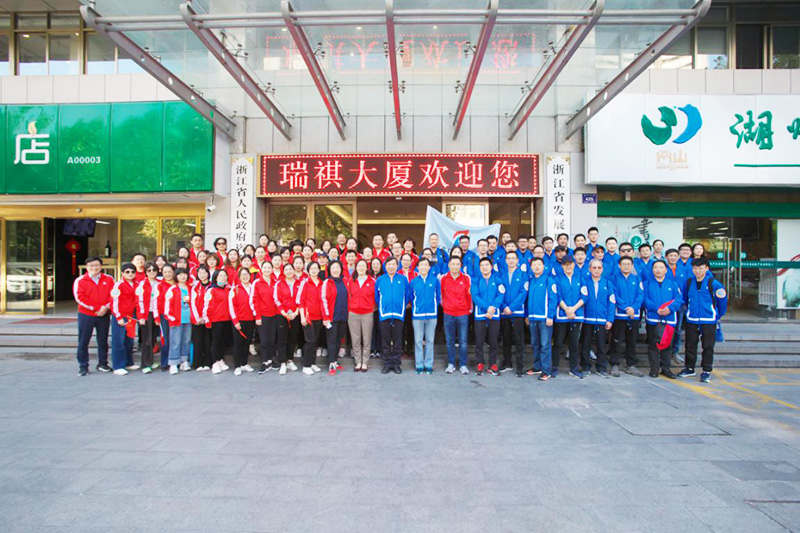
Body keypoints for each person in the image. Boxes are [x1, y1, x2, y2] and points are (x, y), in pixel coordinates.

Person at [678, 257, 728, 383]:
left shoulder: (714, 284)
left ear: (706, 268)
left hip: (709, 320)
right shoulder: (688, 283)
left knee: (708, 346)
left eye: (700, 268)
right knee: (690, 345)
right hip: (692, 319)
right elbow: (685, 299)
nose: (697, 271)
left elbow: (722, 302)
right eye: (695, 268)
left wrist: (717, 315)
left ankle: (706, 370)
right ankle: (689, 368)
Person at [73, 257, 114, 376]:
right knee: (83, 341)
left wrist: (105, 307)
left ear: (101, 267)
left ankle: (102, 363)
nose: (94, 268)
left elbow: (113, 295)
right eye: (91, 265)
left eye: (97, 265)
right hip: (86, 315)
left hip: (104, 314)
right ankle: (83, 366)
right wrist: (97, 308)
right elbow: (80, 298)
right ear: (87, 267)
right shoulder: (80, 280)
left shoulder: (109, 279)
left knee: (103, 340)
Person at [644, 260, 682, 379]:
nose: (658, 270)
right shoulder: (647, 284)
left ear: (666, 270)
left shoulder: (673, 284)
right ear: (652, 270)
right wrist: (656, 309)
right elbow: (644, 299)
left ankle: (666, 368)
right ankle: (654, 369)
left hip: (669, 319)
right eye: (656, 267)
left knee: (667, 345)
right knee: (653, 345)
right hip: (653, 319)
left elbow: (679, 299)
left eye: (661, 267)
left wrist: (670, 309)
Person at [608, 256, 645, 378]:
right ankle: (614, 364)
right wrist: (625, 308)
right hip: (620, 315)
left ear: (632, 266)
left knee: (632, 341)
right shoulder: (614, 278)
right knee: (616, 340)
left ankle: (631, 365)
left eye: (629, 264)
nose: (626, 266)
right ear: (619, 265)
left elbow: (640, 295)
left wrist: (634, 308)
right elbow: (614, 294)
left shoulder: (637, 278)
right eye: (623, 264)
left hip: (634, 315)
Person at [374, 257, 410, 374]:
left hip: (399, 314)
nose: (391, 267)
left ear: (397, 266)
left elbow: (407, 295)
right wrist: (383, 307)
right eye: (389, 264)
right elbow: (377, 297)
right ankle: (387, 364)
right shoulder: (380, 279)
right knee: (385, 341)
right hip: (385, 314)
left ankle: (396, 364)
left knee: (397, 341)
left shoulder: (403, 279)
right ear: (385, 266)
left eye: (393, 264)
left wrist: (401, 307)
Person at [580, 259, 615, 377]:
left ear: (602, 269)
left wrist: (610, 319)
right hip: (587, 319)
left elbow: (611, 302)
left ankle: (601, 368)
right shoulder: (585, 282)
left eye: (599, 268)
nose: (596, 270)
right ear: (589, 269)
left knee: (601, 345)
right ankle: (585, 367)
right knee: (585, 344)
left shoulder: (607, 283)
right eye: (594, 268)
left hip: (601, 319)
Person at [553, 257, 586, 379]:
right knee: (558, 343)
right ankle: (554, 367)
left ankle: (574, 368)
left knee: (574, 344)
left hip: (576, 315)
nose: (568, 266)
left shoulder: (580, 278)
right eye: (565, 264)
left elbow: (584, 296)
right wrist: (567, 309)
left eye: (570, 264)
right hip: (562, 316)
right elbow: (558, 296)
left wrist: (573, 309)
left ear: (574, 265)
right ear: (562, 266)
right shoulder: (557, 279)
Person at [471, 257, 502, 376]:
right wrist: (486, 308)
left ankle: (492, 364)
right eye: (482, 265)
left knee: (493, 341)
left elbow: (500, 294)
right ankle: (480, 363)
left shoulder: (497, 280)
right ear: (479, 268)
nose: (484, 267)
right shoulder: (476, 280)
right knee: (479, 341)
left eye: (487, 265)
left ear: (491, 266)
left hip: (494, 314)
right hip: (480, 314)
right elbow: (475, 295)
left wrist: (493, 307)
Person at [440, 255, 471, 374]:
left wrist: (468, 308)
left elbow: (469, 295)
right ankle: (451, 363)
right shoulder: (444, 278)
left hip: (463, 313)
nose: (455, 266)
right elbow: (441, 295)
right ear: (449, 265)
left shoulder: (466, 278)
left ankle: (463, 364)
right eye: (453, 264)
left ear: (461, 265)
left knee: (463, 341)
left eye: (458, 264)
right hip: (448, 313)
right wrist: (446, 306)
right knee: (450, 341)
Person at [526, 257, 556, 381]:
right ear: (531, 267)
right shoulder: (531, 280)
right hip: (533, 318)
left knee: (545, 345)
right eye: (534, 265)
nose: (537, 267)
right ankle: (537, 366)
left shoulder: (549, 280)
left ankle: (546, 370)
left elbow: (553, 299)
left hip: (544, 319)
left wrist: (550, 316)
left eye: (539, 264)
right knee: (535, 344)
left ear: (543, 266)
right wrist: (528, 315)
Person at [499, 251, 528, 377]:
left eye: (513, 258)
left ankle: (520, 366)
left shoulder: (523, 275)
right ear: (506, 261)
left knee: (519, 340)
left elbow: (523, 293)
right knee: (506, 339)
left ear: (517, 260)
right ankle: (507, 363)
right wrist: (504, 307)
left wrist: (511, 307)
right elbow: (499, 292)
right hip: (504, 312)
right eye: (509, 258)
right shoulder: (501, 275)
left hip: (518, 312)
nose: (511, 260)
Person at [409, 258, 440, 375]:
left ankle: (428, 364)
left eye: (426, 265)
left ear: (429, 267)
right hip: (417, 315)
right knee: (418, 341)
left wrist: (432, 307)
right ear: (418, 267)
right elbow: (411, 297)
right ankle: (419, 365)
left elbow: (438, 297)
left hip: (432, 315)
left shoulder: (435, 280)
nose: (423, 267)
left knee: (430, 340)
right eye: (421, 265)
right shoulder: (413, 282)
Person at [321, 261, 349, 376]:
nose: (335, 270)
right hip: (331, 317)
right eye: (333, 268)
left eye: (337, 267)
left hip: (343, 316)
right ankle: (331, 363)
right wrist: (326, 317)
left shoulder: (345, 281)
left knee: (339, 339)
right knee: (331, 340)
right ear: (329, 270)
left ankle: (335, 361)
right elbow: (323, 300)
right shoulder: (327, 282)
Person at [110, 262, 138, 375]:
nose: (130, 274)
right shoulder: (118, 285)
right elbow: (114, 302)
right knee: (118, 341)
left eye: (132, 272)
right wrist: (118, 317)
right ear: (122, 273)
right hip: (121, 316)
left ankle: (128, 363)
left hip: (131, 316)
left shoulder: (136, 284)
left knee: (129, 341)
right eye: (127, 272)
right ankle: (118, 366)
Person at [274, 263, 302, 375]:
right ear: (283, 272)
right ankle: (282, 362)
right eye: (286, 270)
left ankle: (290, 359)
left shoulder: (299, 283)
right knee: (282, 339)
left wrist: (296, 313)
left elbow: (301, 299)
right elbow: (276, 299)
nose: (289, 271)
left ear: (294, 271)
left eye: (291, 269)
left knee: (292, 338)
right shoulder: (279, 283)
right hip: (282, 315)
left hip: (295, 314)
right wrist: (283, 313)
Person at [164, 267, 193, 375]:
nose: (183, 276)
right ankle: (173, 363)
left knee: (186, 341)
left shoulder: (190, 289)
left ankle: (184, 361)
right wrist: (171, 317)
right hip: (176, 320)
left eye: (184, 274)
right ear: (176, 276)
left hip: (188, 320)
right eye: (180, 274)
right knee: (175, 342)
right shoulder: (172, 289)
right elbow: (167, 305)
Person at [348, 259, 375, 372]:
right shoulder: (351, 280)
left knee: (367, 339)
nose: (361, 268)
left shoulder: (372, 281)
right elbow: (349, 295)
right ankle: (358, 361)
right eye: (359, 266)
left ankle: (365, 362)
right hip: (353, 313)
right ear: (356, 267)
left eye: (363, 266)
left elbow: (375, 296)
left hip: (367, 313)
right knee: (355, 339)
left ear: (367, 267)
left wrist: (371, 307)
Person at [228, 267, 257, 376]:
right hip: (239, 321)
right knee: (238, 344)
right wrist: (236, 321)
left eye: (247, 274)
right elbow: (231, 307)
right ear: (239, 277)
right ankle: (237, 366)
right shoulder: (235, 289)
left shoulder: (253, 288)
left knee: (247, 343)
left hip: (250, 320)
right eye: (243, 275)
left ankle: (244, 363)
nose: (245, 277)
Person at [298, 262, 325, 376]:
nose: (313, 270)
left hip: (319, 317)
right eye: (311, 269)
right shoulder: (304, 283)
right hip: (308, 317)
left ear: (319, 270)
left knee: (315, 341)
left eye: (315, 268)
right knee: (310, 341)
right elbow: (300, 301)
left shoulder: (322, 283)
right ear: (308, 271)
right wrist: (302, 317)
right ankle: (306, 365)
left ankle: (312, 363)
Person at [203, 269, 232, 374]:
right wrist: (207, 320)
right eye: (221, 276)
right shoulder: (211, 290)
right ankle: (214, 362)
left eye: (225, 275)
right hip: (216, 320)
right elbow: (207, 306)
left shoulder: (228, 289)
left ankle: (220, 360)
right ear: (215, 278)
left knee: (222, 342)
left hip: (227, 319)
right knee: (215, 341)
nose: (223, 278)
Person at [252, 260, 278, 374]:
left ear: (272, 269)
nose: (267, 270)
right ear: (261, 269)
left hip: (274, 315)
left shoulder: (275, 282)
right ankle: (264, 361)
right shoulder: (257, 283)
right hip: (262, 315)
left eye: (269, 268)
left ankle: (270, 360)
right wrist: (257, 316)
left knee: (272, 339)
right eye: (265, 268)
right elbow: (254, 300)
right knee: (264, 340)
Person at [136, 261, 161, 374]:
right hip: (146, 313)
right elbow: (139, 301)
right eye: (149, 270)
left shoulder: (160, 283)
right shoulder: (141, 284)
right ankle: (145, 364)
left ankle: (150, 361)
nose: (152, 272)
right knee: (146, 340)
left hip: (157, 313)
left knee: (153, 338)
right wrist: (141, 316)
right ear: (145, 272)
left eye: (154, 270)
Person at [190, 265, 212, 372]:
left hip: (209, 319)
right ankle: (197, 363)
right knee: (198, 342)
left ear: (208, 273)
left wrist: (206, 317)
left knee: (208, 341)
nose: (202, 275)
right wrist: (197, 318)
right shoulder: (195, 288)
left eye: (204, 272)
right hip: (197, 320)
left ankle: (208, 362)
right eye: (200, 273)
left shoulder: (212, 287)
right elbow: (193, 304)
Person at [157, 264, 176, 370]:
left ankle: (175, 361)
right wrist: (157, 317)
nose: (167, 274)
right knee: (166, 339)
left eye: (169, 272)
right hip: (164, 316)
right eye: (165, 272)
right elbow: (157, 302)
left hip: (177, 315)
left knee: (175, 339)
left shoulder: (178, 284)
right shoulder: (160, 285)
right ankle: (165, 362)